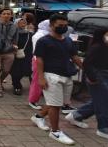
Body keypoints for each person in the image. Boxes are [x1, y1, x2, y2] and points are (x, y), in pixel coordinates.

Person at [65, 28, 108, 142]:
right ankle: (105, 129)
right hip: (98, 77)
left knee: (99, 100)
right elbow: (87, 63)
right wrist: (93, 77)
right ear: (101, 35)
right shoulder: (97, 47)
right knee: (105, 104)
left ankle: (76, 116)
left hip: (107, 76)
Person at [30, 14, 82, 145]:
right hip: (51, 76)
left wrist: (87, 68)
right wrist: (41, 77)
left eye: (65, 25)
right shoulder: (43, 41)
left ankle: (38, 117)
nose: (63, 27)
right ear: (52, 25)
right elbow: (39, 60)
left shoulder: (68, 41)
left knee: (56, 103)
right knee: (55, 105)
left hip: (66, 75)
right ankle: (55, 131)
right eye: (60, 25)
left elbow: (75, 56)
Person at [10, 18, 33, 95]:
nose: (23, 24)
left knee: (25, 70)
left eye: (24, 22)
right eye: (20, 22)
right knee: (15, 72)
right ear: (16, 23)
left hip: (27, 55)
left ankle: (17, 84)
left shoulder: (30, 34)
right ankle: (17, 86)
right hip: (14, 54)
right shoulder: (12, 33)